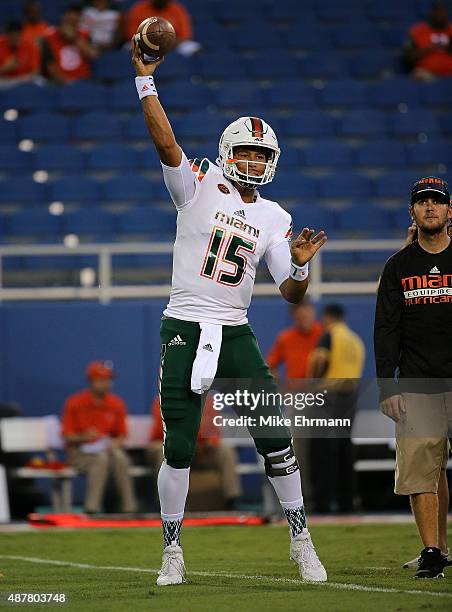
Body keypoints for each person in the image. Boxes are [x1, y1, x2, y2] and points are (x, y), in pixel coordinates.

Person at [131, 41, 328, 585]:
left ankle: (301, 538)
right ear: (226, 153)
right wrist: (145, 80)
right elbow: (165, 142)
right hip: (186, 320)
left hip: (234, 327)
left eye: (261, 156)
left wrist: (304, 267)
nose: (253, 162)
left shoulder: (274, 215)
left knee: (273, 434)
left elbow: (290, 294)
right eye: (245, 153)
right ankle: (172, 548)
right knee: (180, 444)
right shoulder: (196, 182)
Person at [374, 176, 452, 578]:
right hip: (418, 383)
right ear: (412, 212)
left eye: (436, 202)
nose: (429, 208)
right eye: (422, 202)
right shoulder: (398, 267)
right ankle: (433, 551)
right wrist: (388, 385)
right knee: (422, 470)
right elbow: (386, 328)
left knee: (432, 469)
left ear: (449, 211)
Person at [307, 304, 365, 513]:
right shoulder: (355, 340)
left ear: (328, 317)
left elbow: (320, 360)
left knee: (322, 451)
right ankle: (346, 502)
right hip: (349, 398)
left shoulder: (330, 335)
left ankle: (322, 503)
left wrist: (312, 384)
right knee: (344, 449)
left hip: (328, 396)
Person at [267, 297, 323, 506]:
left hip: (323, 400)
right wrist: (280, 388)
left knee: (322, 449)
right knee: (298, 449)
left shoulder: (323, 334)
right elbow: (270, 365)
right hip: (298, 400)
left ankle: (321, 494)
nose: (305, 317)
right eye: (301, 314)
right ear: (294, 317)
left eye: (308, 312)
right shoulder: (286, 338)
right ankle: (304, 496)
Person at [61, 361, 137, 514]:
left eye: (108, 380)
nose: (106, 384)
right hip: (80, 453)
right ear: (91, 381)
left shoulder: (116, 404)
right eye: (101, 380)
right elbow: (67, 436)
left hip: (106, 450)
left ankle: (129, 509)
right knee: (101, 459)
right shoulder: (75, 403)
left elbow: (122, 436)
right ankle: (92, 509)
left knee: (120, 457)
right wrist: (83, 437)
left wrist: (114, 443)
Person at [147, 395, 242, 509]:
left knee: (225, 450)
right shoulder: (165, 400)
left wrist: (209, 442)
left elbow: (214, 431)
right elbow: (163, 431)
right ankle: (165, 503)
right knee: (163, 451)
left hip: (202, 450)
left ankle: (231, 499)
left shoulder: (207, 401)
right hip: (176, 448)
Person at [42, 5, 99, 84]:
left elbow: (93, 55)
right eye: (70, 16)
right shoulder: (49, 38)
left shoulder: (85, 35)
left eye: (77, 16)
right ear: (63, 17)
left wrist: (75, 39)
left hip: (84, 80)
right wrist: (68, 83)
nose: (74, 18)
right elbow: (50, 67)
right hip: (60, 83)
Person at [126, 0, 200, 56]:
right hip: (145, 43)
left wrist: (167, 43)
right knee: (129, 47)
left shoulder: (177, 9)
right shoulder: (139, 8)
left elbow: (185, 35)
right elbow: (132, 34)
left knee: (193, 48)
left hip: (173, 44)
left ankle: (195, 74)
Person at [404, 0, 452, 80]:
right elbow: (407, 59)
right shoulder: (417, 31)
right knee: (419, 76)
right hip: (426, 74)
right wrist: (428, 49)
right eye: (437, 11)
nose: (440, 15)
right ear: (430, 13)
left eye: (443, 12)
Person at [0, 21, 41, 85]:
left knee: (40, 81)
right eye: (11, 34)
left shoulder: (30, 45)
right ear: (6, 34)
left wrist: (21, 79)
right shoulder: (1, 43)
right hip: (4, 80)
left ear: (22, 34)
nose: (14, 36)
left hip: (24, 80)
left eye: (17, 33)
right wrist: (5, 68)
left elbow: (35, 71)